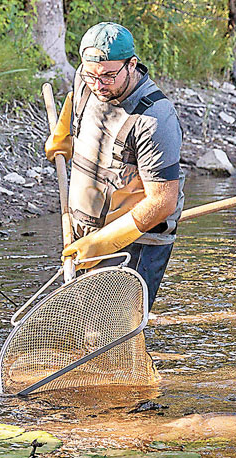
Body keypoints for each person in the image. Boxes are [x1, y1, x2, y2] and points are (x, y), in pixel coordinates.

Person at [47, 22, 184, 309]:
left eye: (109, 75)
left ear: (131, 64)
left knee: (115, 332)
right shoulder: (88, 79)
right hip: (84, 229)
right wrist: (62, 135)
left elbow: (163, 201)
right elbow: (76, 99)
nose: (98, 85)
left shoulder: (155, 119)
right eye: (91, 75)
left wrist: (101, 244)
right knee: (85, 322)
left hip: (134, 242)